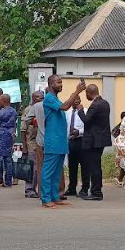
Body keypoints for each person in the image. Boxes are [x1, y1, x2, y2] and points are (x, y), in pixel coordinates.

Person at [40, 75, 86, 209]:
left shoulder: (55, 99)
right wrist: (76, 92)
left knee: (57, 172)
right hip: (53, 141)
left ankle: (55, 197)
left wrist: (75, 95)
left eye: (61, 82)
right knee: (48, 171)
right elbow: (65, 107)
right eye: (58, 82)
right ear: (50, 84)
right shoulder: (48, 98)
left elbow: (66, 104)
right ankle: (46, 199)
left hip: (60, 141)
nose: (61, 85)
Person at [79, 85, 112, 200]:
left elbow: (86, 120)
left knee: (94, 167)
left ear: (89, 92)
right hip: (101, 139)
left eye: (86, 93)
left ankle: (96, 193)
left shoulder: (95, 105)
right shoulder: (105, 103)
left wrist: (80, 111)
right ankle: (97, 190)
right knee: (96, 165)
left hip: (94, 140)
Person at [20, 91, 44, 199]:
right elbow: (23, 129)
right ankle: (29, 189)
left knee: (40, 167)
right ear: (33, 98)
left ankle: (39, 189)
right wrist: (24, 146)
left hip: (41, 141)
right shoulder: (29, 110)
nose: (41, 99)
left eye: (43, 97)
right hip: (31, 143)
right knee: (32, 167)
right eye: (39, 97)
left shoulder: (42, 108)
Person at [63, 95, 85, 197]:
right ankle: (72, 188)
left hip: (82, 141)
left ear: (80, 100)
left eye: (78, 99)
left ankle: (84, 189)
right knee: (72, 167)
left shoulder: (85, 111)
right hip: (71, 142)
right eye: (74, 99)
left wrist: (79, 132)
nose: (76, 101)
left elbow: (89, 127)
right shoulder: (67, 113)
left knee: (85, 166)